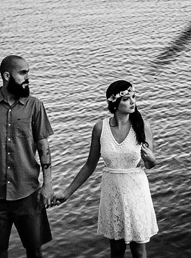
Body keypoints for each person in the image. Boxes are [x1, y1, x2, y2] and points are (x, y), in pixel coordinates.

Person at [54, 80, 159, 257]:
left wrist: (152, 159)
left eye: (134, 97)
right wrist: (67, 193)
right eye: (127, 99)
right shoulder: (100, 128)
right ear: (114, 103)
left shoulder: (142, 126)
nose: (133, 102)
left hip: (136, 193)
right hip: (112, 193)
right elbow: (89, 165)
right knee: (116, 251)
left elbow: (148, 164)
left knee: (139, 251)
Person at [0, 55, 55, 258]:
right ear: (7, 75)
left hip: (28, 192)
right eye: (23, 73)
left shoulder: (35, 106)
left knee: (35, 249)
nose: (28, 78)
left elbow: (43, 145)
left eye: (28, 73)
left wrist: (48, 184)